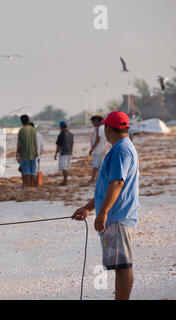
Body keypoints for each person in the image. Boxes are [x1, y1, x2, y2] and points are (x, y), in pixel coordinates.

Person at [72, 111, 139, 300]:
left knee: (123, 265)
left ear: (108, 129)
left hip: (117, 217)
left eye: (104, 127)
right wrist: (88, 208)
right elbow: (108, 186)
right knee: (119, 265)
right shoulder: (120, 148)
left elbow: (117, 183)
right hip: (113, 216)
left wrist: (103, 213)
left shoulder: (121, 150)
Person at [16, 115, 38, 188]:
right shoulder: (33, 129)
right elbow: (35, 143)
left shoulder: (21, 130)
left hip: (25, 154)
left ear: (22, 121)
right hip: (33, 153)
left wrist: (17, 154)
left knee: (26, 172)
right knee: (32, 171)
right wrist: (36, 152)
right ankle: (32, 186)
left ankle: (27, 186)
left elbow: (19, 145)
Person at [89, 115, 107, 184]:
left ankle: (93, 179)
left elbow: (98, 139)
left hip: (98, 149)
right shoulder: (103, 127)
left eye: (93, 122)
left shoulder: (100, 128)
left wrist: (92, 149)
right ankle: (98, 179)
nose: (92, 123)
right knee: (100, 165)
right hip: (102, 149)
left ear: (96, 121)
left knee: (95, 165)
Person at [54, 121, 73, 186]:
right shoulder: (70, 134)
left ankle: (65, 181)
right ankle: (65, 180)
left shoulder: (61, 134)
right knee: (66, 167)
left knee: (64, 167)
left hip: (64, 152)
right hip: (69, 152)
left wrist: (56, 154)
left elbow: (58, 145)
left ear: (61, 127)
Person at [29, 122, 44, 186]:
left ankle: (35, 183)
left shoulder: (30, 135)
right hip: (38, 156)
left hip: (31, 156)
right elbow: (42, 148)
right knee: (36, 170)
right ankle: (37, 183)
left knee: (32, 171)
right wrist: (39, 155)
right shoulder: (39, 135)